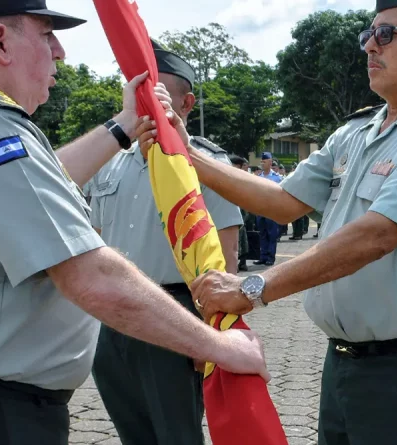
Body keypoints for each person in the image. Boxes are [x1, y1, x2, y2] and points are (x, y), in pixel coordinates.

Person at [0, 3, 268, 444]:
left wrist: (124, 125)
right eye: (47, 34)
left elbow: (41, 186)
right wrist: (219, 347)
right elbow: (90, 276)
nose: (61, 51)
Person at [138, 0, 397, 443]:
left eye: (387, 35)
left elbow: (377, 235)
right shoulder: (357, 132)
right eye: (368, 34)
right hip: (343, 366)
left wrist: (254, 288)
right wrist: (187, 154)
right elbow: (284, 200)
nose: (369, 47)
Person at [85, 41, 245, 445]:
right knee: (132, 430)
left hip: (175, 313)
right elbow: (98, 241)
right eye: (137, 92)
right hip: (114, 319)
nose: (144, 103)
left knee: (177, 434)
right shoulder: (109, 162)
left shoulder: (206, 166)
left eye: (155, 92)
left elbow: (225, 256)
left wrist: (211, 335)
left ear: (186, 102)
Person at [255, 152, 283, 265]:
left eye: (264, 161)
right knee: (262, 234)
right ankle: (263, 257)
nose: (262, 164)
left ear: (270, 162)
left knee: (272, 234)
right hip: (261, 210)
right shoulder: (258, 177)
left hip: (272, 210)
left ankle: (271, 257)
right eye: (261, 161)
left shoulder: (277, 178)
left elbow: (281, 194)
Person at [229, 155, 252, 271]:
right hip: (234, 211)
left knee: (242, 239)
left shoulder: (241, 177)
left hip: (242, 211)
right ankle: (237, 263)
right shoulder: (232, 176)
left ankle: (242, 262)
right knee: (237, 239)